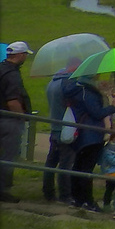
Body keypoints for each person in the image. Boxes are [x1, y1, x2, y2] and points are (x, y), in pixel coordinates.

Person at [61, 69, 114, 211]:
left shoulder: (76, 90)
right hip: (91, 135)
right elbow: (97, 113)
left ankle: (77, 199)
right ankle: (88, 201)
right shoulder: (88, 93)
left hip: (81, 135)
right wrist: (112, 107)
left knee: (78, 166)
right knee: (86, 169)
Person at [0, 41, 33, 203]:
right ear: (20, 55)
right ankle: (1, 191)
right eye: (25, 54)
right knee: (7, 156)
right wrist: (21, 117)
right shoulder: (12, 75)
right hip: (8, 120)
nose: (25, 57)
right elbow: (13, 101)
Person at [41, 58, 79, 204]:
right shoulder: (67, 83)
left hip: (54, 126)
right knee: (65, 164)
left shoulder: (52, 82)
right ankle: (65, 195)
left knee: (51, 162)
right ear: (74, 67)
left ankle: (48, 192)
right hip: (66, 129)